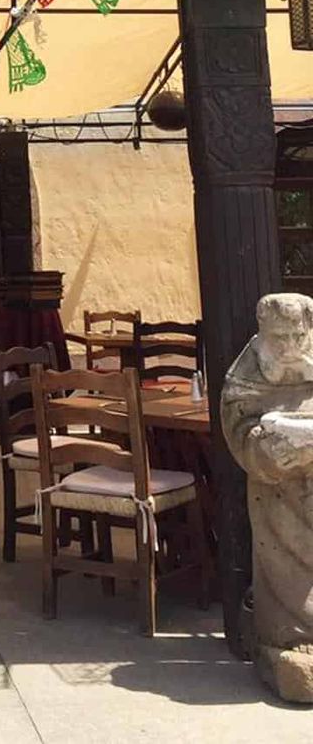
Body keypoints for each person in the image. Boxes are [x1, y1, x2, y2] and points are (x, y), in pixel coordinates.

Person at [222, 292, 313, 702]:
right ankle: (289, 641)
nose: (290, 348)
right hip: (276, 490)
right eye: (280, 338)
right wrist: (264, 446)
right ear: (262, 333)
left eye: (298, 336)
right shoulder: (246, 375)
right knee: (282, 556)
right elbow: (237, 424)